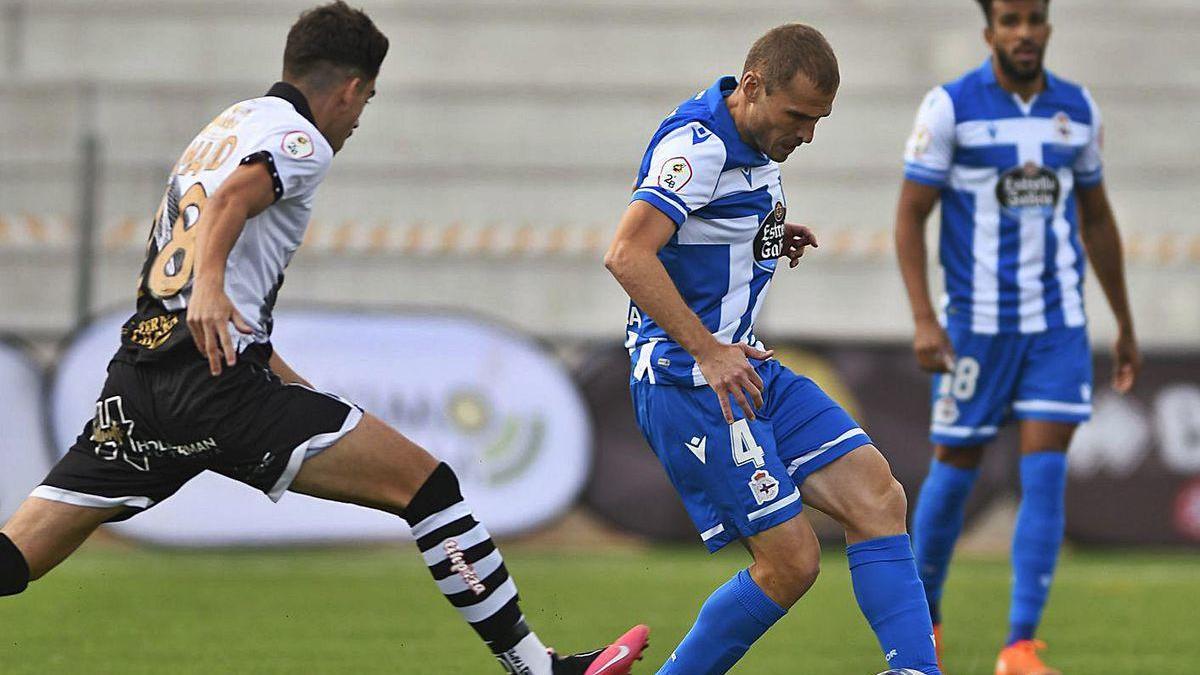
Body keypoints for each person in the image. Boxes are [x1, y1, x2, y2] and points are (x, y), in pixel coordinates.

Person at [0, 4, 648, 674]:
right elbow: (229, 207)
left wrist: (288, 380)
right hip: (216, 382)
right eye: (364, 102)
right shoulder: (298, 139)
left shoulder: (224, 127)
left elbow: (218, 245)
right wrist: (212, 288)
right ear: (350, 88)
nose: (357, 120)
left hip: (140, 381)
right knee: (428, 487)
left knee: (18, 552)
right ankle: (537, 668)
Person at [605, 23, 941, 675]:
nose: (808, 134)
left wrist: (768, 232)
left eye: (819, 120)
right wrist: (707, 349)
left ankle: (916, 671)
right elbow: (627, 253)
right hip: (690, 380)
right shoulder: (697, 146)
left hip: (745, 366)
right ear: (753, 88)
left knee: (877, 496)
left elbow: (707, 224)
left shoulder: (753, 141)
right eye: (798, 116)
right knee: (791, 562)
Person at [895, 1, 1140, 673]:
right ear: (989, 31)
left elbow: (1097, 219)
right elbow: (910, 216)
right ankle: (926, 622)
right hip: (975, 325)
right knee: (954, 469)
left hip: (1057, 324)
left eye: (1034, 18)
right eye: (1010, 20)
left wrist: (1122, 318)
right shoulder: (949, 107)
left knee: (1047, 472)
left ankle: (1020, 645)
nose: (1024, 32)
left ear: (1049, 27)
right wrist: (923, 315)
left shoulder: (1078, 109)